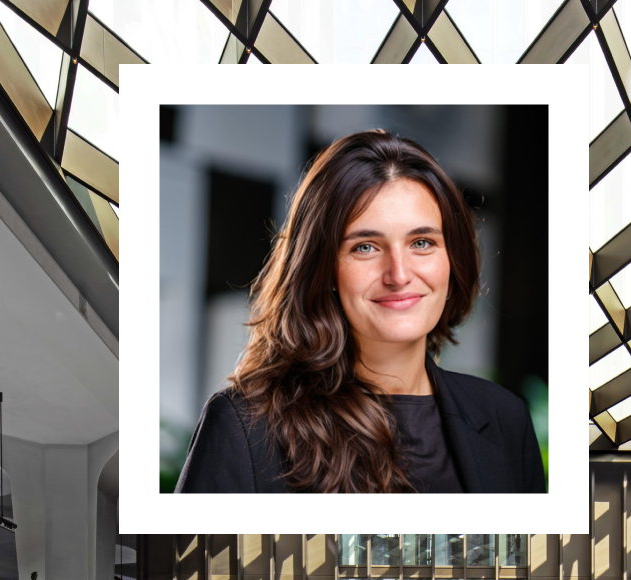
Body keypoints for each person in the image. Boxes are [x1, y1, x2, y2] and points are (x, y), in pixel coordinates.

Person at [175, 130, 545, 493]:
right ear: (324, 267)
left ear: (453, 257)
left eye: (421, 242)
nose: (399, 274)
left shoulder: (504, 419)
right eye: (365, 247)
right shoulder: (246, 427)